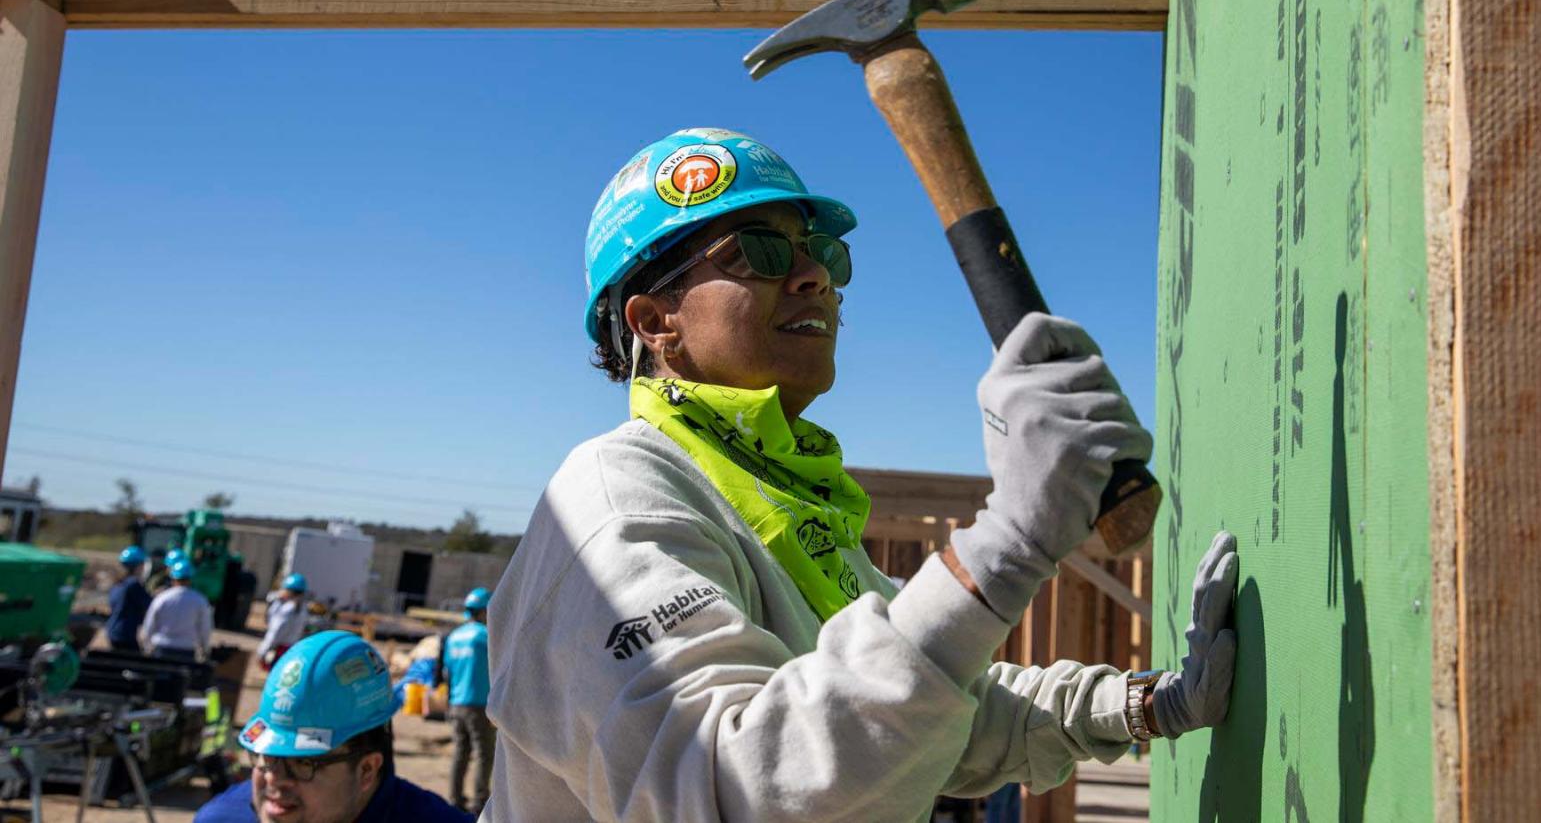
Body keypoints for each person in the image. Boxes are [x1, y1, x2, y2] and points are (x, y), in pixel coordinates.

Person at [481, 129, 1240, 821]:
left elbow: (945, 704)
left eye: (823, 255)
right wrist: (1004, 541)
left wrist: (1150, 704)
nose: (815, 276)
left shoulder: (776, 502)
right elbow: (734, 791)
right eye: (761, 251)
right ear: (654, 320)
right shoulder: (615, 502)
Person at [196, 631, 470, 823]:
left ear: (366, 770)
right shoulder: (221, 818)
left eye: (303, 763)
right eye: (266, 757)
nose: (274, 778)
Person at [441, 587, 494, 813]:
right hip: (478, 704)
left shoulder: (454, 637)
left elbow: (446, 673)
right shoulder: (484, 636)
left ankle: (455, 799)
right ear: (484, 611)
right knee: (484, 753)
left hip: (456, 703)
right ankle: (480, 801)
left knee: (460, 753)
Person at [140, 557, 213, 662]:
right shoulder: (200, 600)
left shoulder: (162, 598)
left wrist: (147, 645)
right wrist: (205, 648)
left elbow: (149, 624)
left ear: (173, 578)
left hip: (161, 649)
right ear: (191, 578)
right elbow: (205, 628)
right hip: (186, 650)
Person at [257, 573, 310, 671]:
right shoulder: (303, 609)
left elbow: (276, 631)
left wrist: (263, 651)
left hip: (279, 651)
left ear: (288, 591)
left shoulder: (287, 610)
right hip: (291, 650)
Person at [104, 545, 152, 652]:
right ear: (139, 566)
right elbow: (150, 605)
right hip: (124, 634)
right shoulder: (133, 585)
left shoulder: (118, 583)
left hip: (114, 631)